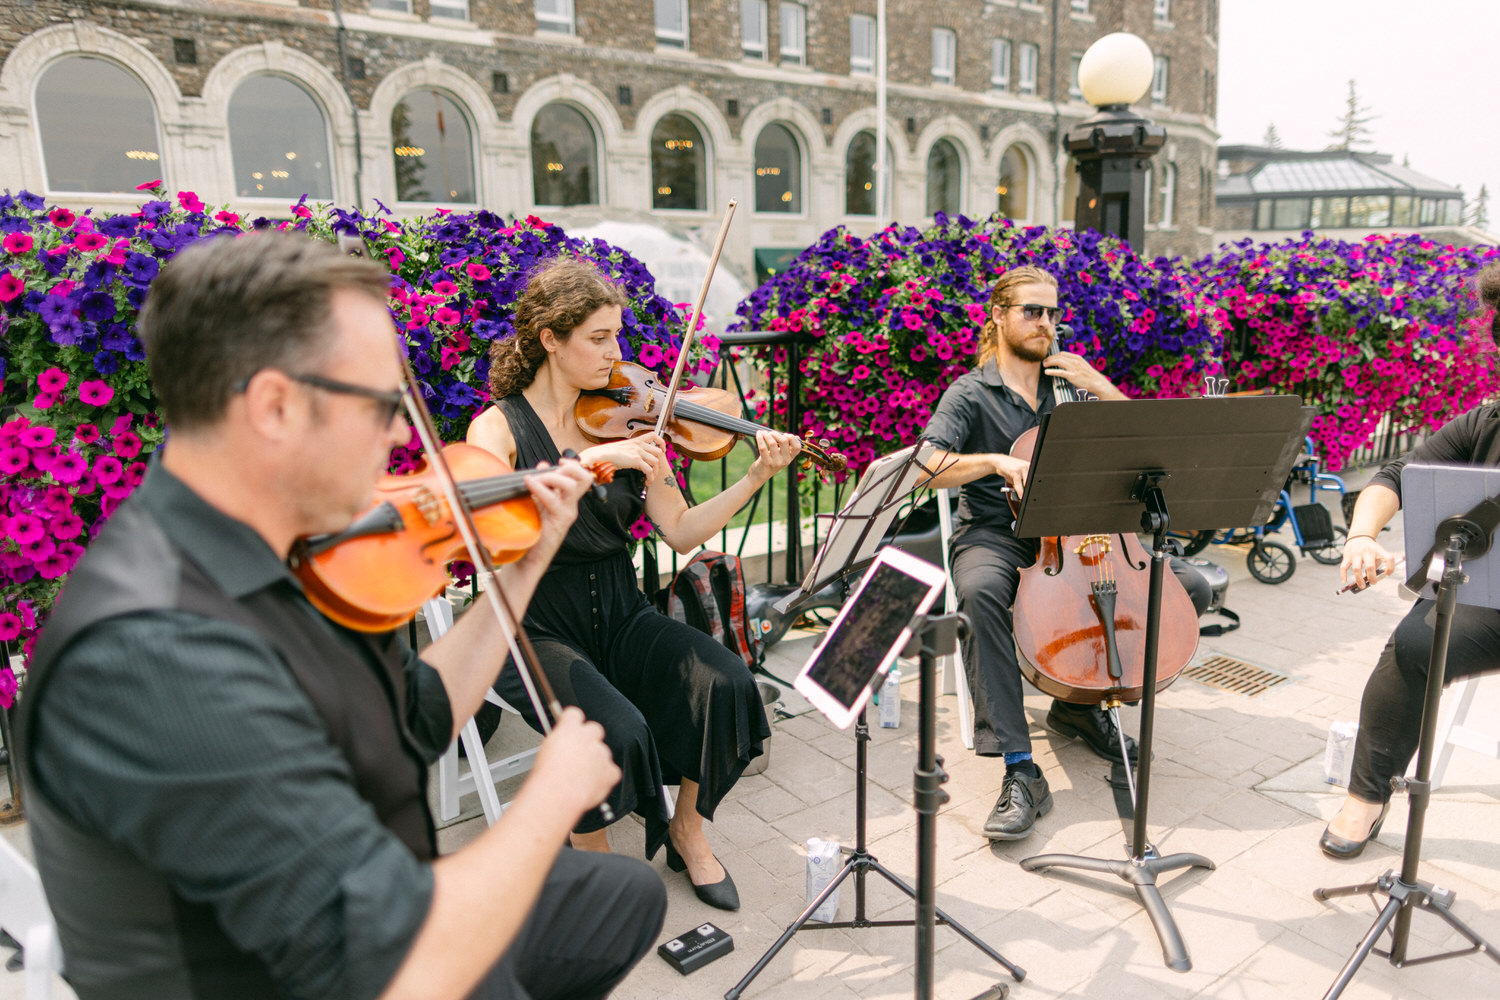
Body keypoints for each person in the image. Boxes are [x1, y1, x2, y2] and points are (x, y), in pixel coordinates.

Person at [17, 232, 666, 1000]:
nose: (400, 435)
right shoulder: (155, 655)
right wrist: (550, 800)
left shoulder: (299, 549)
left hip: (390, 896)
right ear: (275, 407)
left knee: (625, 898)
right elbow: (393, 968)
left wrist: (522, 570)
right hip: (357, 968)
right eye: (383, 403)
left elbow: (417, 718)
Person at [466, 257, 802, 910]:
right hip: (533, 627)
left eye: (617, 335)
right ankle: (598, 872)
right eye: (597, 338)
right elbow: (483, 521)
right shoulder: (498, 427)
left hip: (620, 612)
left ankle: (687, 831)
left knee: (726, 681)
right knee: (610, 731)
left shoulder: (629, 417)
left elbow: (679, 529)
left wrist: (755, 477)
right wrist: (590, 462)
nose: (615, 353)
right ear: (549, 339)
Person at [922, 264, 1140, 843]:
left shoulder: (1068, 384)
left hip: (1073, 536)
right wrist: (994, 462)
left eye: (1052, 312)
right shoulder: (971, 392)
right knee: (980, 593)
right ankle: (1020, 769)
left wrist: (1101, 385)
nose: (1046, 323)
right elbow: (928, 466)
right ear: (998, 316)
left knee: (1176, 590)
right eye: (1031, 311)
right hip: (995, 535)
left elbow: (1135, 447)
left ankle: (1077, 703)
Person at [1320, 264, 1500, 859]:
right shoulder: (1489, 419)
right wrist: (1361, 536)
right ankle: (1366, 799)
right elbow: (1398, 473)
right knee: (1413, 643)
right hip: (1492, 603)